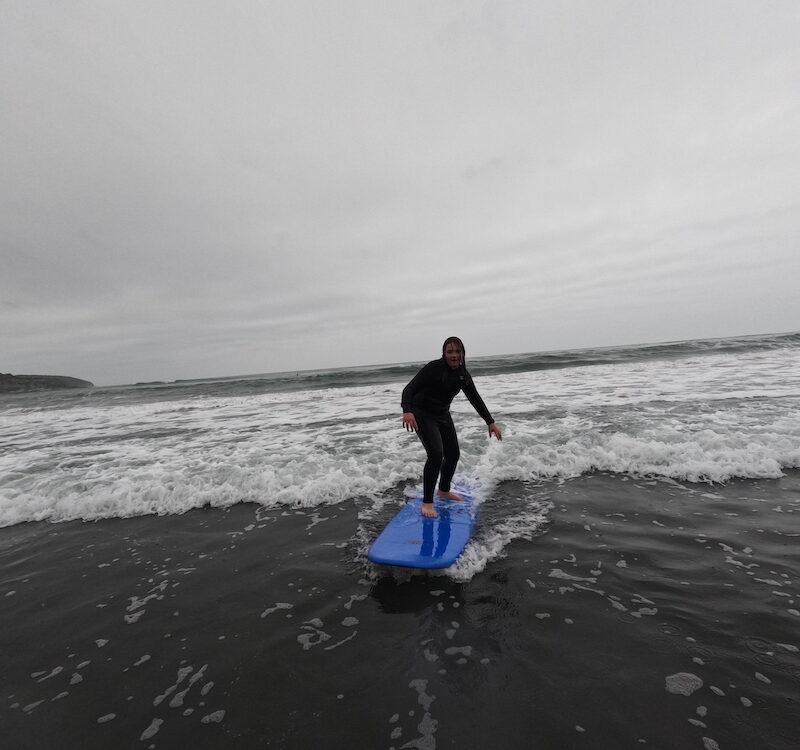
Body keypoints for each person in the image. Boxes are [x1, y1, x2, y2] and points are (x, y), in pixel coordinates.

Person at [401, 336, 502, 518]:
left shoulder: (463, 374)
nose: (454, 355)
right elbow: (409, 389)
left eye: (458, 351)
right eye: (450, 352)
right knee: (436, 454)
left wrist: (490, 421)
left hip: (441, 414)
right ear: (444, 354)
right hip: (422, 412)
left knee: (453, 454)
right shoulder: (434, 368)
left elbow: (475, 398)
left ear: (463, 353)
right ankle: (427, 502)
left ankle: (444, 491)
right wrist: (407, 411)